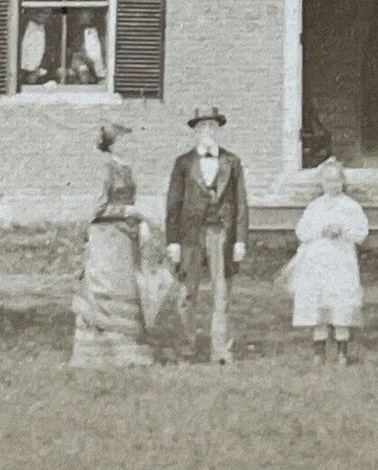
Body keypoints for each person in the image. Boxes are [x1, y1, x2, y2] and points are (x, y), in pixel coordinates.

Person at [165, 104, 249, 364]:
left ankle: (221, 351)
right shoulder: (183, 163)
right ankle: (185, 350)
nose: (207, 131)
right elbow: (173, 204)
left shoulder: (232, 162)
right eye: (202, 126)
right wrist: (173, 241)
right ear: (195, 131)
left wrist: (240, 239)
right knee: (187, 294)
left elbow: (241, 203)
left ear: (218, 129)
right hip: (190, 235)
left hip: (221, 234)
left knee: (221, 293)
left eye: (212, 126)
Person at [70, 122, 153, 368]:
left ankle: (126, 349)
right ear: (113, 143)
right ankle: (99, 351)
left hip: (124, 238)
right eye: (126, 140)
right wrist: (128, 210)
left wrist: (139, 222)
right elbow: (97, 208)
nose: (132, 145)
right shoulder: (105, 169)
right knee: (107, 289)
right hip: (106, 239)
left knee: (126, 288)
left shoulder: (125, 169)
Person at [285, 157, 369, 366]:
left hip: (341, 261)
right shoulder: (314, 207)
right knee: (319, 304)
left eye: (336, 180)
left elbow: (362, 232)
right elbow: (302, 231)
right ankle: (319, 350)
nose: (332, 184)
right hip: (318, 261)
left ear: (343, 181)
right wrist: (320, 231)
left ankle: (342, 351)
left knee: (340, 303)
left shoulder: (351, 206)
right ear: (321, 183)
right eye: (328, 180)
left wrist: (343, 231)